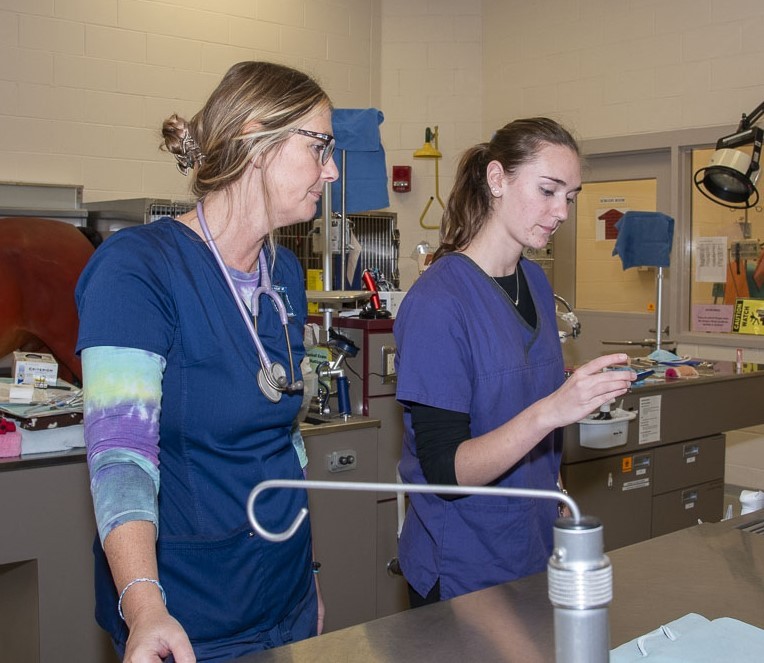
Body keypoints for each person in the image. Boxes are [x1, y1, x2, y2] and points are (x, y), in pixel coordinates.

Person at [75, 61, 339, 662]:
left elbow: (285, 443)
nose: (332, 168)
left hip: (285, 598)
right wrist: (145, 610)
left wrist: (310, 575)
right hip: (191, 616)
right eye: (319, 145)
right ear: (255, 142)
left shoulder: (285, 276)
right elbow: (120, 455)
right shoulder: (137, 270)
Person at [394, 117, 636, 606]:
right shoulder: (438, 302)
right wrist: (554, 410)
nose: (561, 211)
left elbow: (529, 404)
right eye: (548, 190)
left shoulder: (537, 284)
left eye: (570, 196)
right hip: (464, 566)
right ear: (497, 179)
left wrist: (558, 491)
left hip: (532, 548)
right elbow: (447, 470)